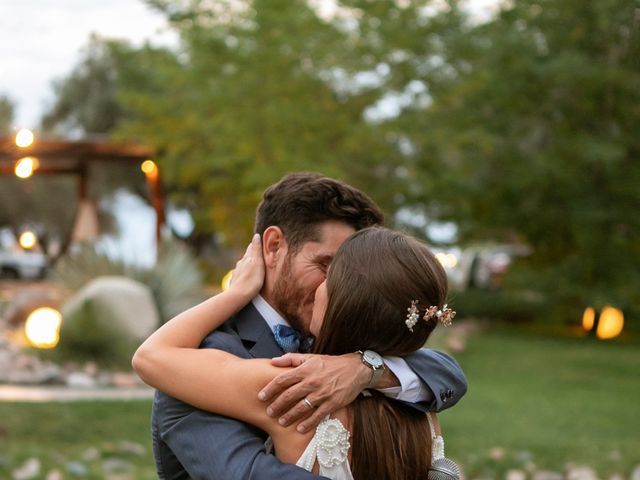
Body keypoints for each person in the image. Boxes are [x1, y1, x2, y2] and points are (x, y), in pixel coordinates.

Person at [143, 173, 467, 479]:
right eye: (326, 265)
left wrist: (367, 369)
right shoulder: (203, 359)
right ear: (273, 247)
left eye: (350, 277)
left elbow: (447, 374)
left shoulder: (359, 350)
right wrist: (238, 294)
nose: (339, 288)